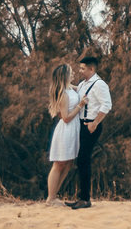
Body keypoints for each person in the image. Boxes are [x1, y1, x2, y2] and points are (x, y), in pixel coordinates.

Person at [68, 55, 111, 210]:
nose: (80, 71)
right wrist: (64, 84)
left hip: (90, 125)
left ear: (91, 69)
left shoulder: (99, 84)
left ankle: (85, 199)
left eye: (82, 68)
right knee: (81, 161)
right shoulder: (84, 83)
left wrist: (95, 123)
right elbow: (77, 90)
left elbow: (107, 105)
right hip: (81, 124)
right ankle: (82, 198)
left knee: (83, 160)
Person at [45, 63, 89, 206]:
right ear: (65, 76)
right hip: (66, 129)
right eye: (71, 73)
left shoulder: (70, 88)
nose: (74, 74)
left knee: (69, 163)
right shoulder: (63, 94)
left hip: (73, 129)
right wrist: (80, 105)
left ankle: (53, 195)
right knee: (59, 164)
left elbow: (82, 87)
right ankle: (50, 198)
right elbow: (65, 117)